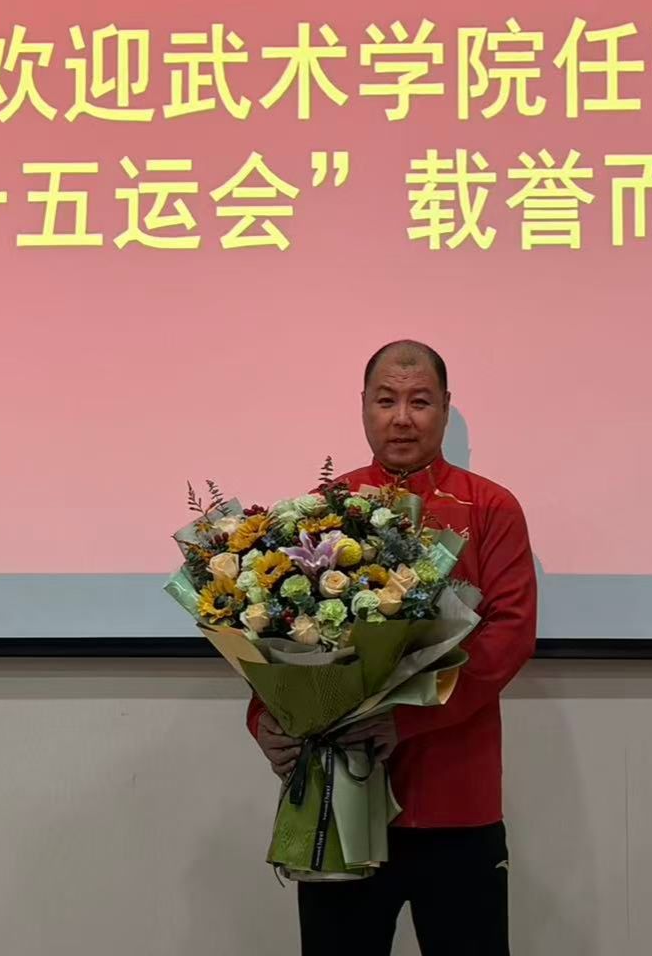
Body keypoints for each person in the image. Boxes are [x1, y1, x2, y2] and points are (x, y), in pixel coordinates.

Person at [248, 339, 537, 956]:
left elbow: (508, 639)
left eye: (420, 402)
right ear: (363, 406)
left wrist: (404, 720)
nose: (402, 418)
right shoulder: (323, 510)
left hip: (455, 802)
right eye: (386, 401)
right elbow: (277, 631)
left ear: (445, 408)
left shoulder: (491, 508)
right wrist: (267, 720)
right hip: (339, 796)